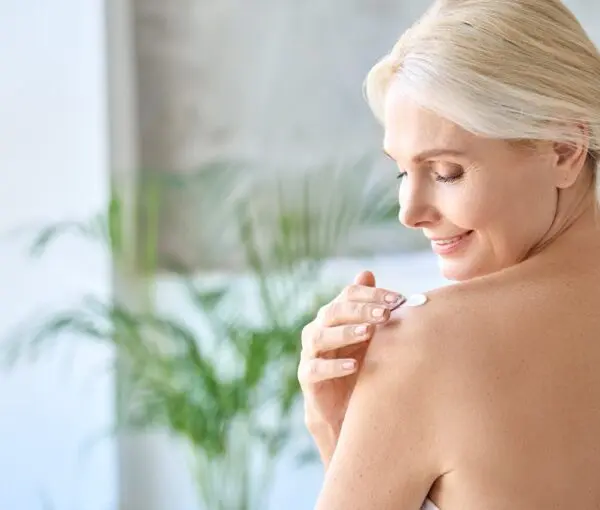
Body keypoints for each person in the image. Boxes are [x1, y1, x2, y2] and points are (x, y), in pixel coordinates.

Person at [298, 0, 600, 508]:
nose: (409, 212)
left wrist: (333, 428)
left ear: (565, 149)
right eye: (402, 171)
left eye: (446, 173)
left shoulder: (424, 345)